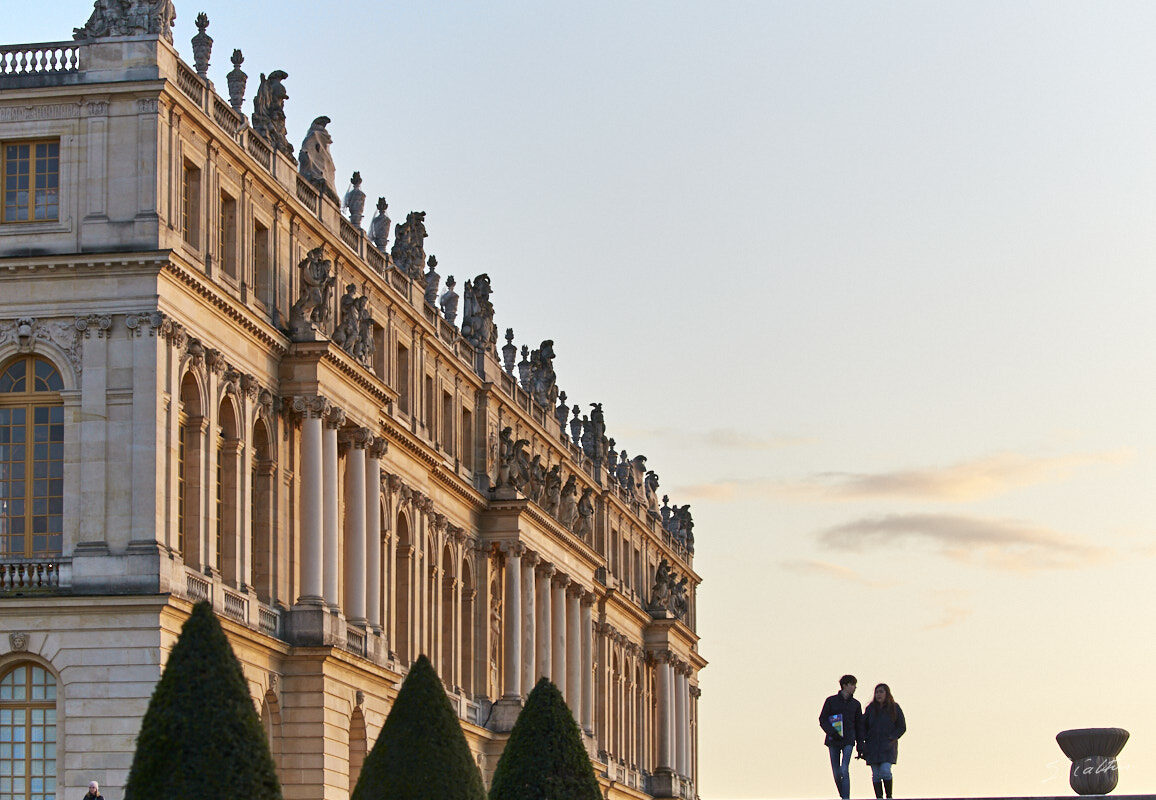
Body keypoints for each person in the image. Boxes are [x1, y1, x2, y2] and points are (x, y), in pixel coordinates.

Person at [819, 675, 864, 800]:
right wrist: (831, 732)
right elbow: (822, 719)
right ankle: (843, 794)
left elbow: (859, 726)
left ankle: (846, 798)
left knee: (844, 769)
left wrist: (861, 745)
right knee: (836, 772)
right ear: (845, 685)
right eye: (853, 684)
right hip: (833, 740)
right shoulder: (831, 701)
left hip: (849, 740)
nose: (855, 687)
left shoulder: (856, 704)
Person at [863, 683, 907, 799]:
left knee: (885, 771)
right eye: (877, 692)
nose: (879, 694)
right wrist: (865, 740)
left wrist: (892, 737)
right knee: (876, 775)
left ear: (887, 693)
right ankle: (879, 797)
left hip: (887, 746)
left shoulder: (894, 707)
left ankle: (889, 796)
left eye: (881, 692)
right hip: (872, 747)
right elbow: (863, 726)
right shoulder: (870, 709)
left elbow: (901, 726)